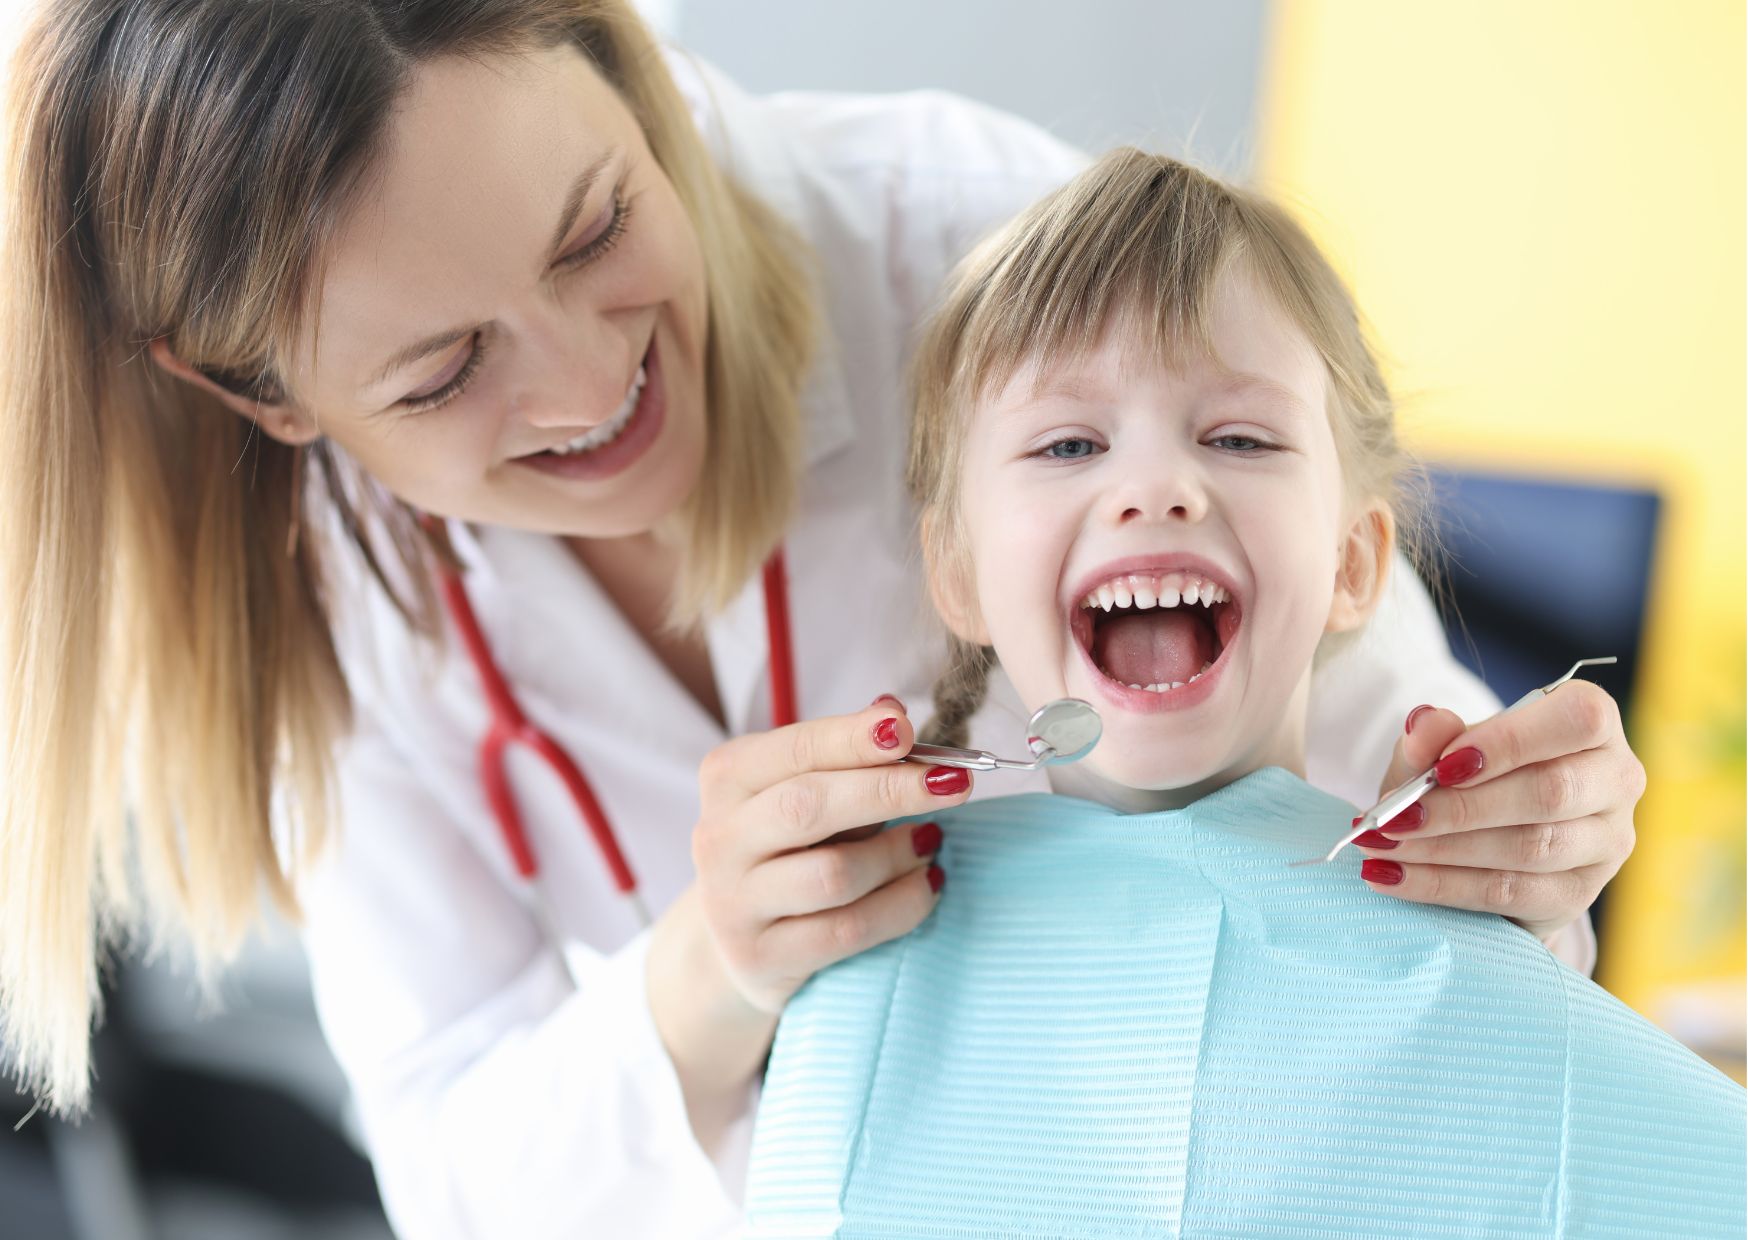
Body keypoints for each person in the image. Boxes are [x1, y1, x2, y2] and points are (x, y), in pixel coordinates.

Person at [0, 3, 1643, 1237]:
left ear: (620, 66)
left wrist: (1516, 839)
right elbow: (461, 1179)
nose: (590, 386)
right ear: (263, 402)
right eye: (441, 372)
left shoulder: (986, 254)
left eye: (595, 231)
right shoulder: (327, 599)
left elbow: (1384, 764)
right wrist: (713, 971)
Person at [745, 147, 1743, 1237]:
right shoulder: (864, 965)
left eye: (1238, 437)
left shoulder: (1482, 947)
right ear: (957, 573)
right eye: (1068, 442)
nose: (1155, 489)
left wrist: (1525, 956)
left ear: (1356, 563)